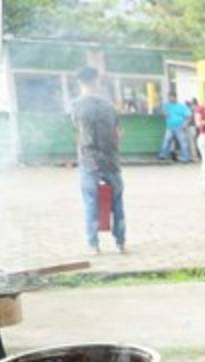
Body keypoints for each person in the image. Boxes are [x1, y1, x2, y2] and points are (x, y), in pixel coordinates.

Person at [70, 66, 126, 255]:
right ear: (97, 81)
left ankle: (93, 245)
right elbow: (118, 134)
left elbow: (77, 131)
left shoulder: (76, 105)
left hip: (88, 160)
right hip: (111, 160)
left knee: (91, 202)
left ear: (80, 82)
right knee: (117, 202)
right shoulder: (109, 106)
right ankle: (121, 243)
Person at [157, 91, 192, 162]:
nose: (170, 99)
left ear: (175, 97)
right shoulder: (166, 106)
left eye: (172, 97)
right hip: (170, 127)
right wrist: (164, 113)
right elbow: (162, 113)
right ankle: (162, 155)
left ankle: (186, 157)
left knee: (182, 142)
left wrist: (186, 123)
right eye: (169, 97)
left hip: (180, 127)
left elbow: (189, 116)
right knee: (166, 141)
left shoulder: (182, 106)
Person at [185, 98, 201, 163]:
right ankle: (197, 156)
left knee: (192, 143)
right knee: (195, 142)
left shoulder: (192, 109)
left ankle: (194, 157)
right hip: (196, 128)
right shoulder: (198, 108)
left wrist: (186, 124)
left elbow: (190, 118)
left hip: (192, 127)